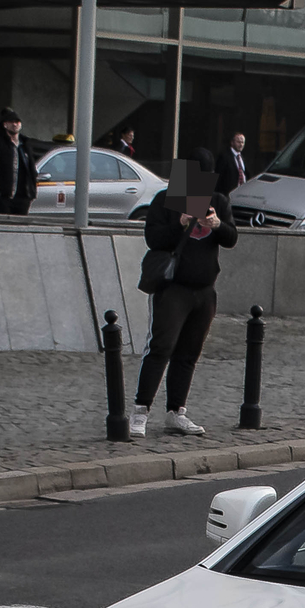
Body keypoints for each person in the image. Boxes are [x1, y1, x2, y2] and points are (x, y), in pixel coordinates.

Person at [131, 149, 237, 438]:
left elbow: (231, 238)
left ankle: (176, 412)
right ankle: (141, 410)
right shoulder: (165, 200)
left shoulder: (217, 201)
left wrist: (216, 224)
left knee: (189, 353)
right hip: (172, 287)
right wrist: (180, 223)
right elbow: (154, 239)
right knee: (161, 347)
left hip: (204, 289)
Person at [0, 109, 37, 216]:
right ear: (5, 125)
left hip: (23, 197)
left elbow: (31, 169)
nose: (15, 124)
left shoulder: (25, 145)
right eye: (11, 122)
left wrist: (31, 193)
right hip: (4, 197)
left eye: (17, 122)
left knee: (21, 228)